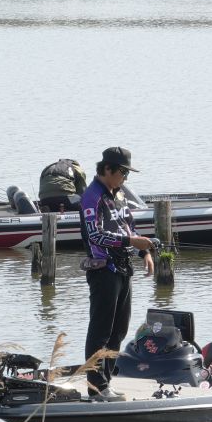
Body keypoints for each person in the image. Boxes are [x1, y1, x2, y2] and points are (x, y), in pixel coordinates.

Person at [80, 146, 155, 401]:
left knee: (119, 329)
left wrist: (144, 252)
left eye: (127, 173)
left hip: (123, 268)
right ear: (107, 169)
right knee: (100, 330)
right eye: (123, 172)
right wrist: (131, 242)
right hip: (103, 269)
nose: (125, 177)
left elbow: (128, 226)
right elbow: (95, 235)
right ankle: (96, 388)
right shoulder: (92, 196)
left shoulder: (120, 194)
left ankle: (106, 383)